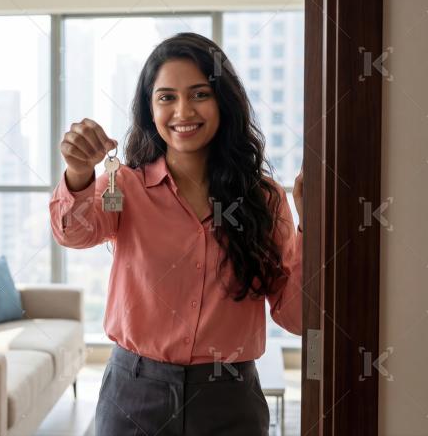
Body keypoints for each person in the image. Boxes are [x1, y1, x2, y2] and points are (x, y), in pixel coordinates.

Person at [48, 32, 303, 436]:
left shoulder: (264, 198)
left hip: (230, 399)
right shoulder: (123, 187)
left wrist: (311, 228)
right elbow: (74, 234)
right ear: (150, 110)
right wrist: (79, 173)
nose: (183, 110)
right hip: (134, 394)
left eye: (199, 93)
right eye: (166, 97)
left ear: (224, 101)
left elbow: (297, 317)